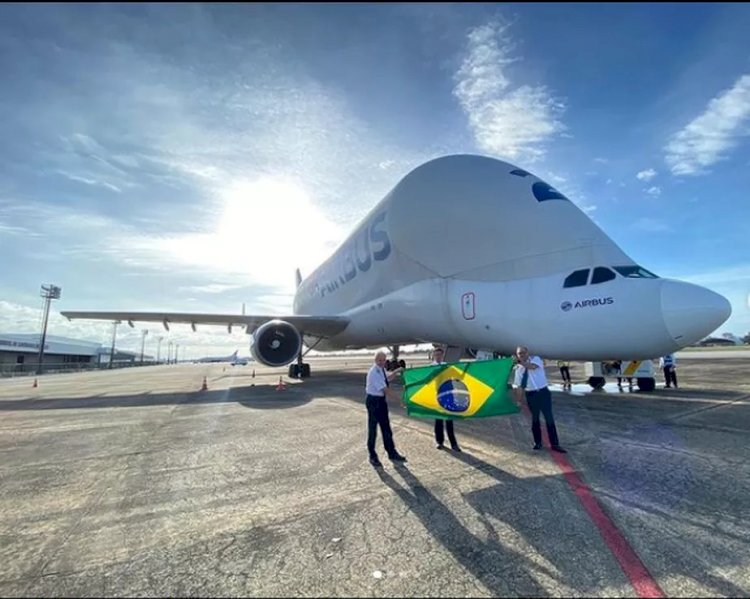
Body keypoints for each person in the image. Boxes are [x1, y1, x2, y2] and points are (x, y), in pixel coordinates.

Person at [513, 346, 566, 453]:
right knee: (535, 420)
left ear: (527, 353)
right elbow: (519, 387)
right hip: (531, 395)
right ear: (517, 355)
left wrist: (519, 362)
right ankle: (538, 442)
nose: (522, 355)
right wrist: (518, 400)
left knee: (549, 418)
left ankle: (555, 444)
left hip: (543, 393)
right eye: (519, 354)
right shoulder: (518, 370)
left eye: (523, 353)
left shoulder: (536, 359)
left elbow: (532, 367)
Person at [365, 350, 407, 467]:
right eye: (380, 360)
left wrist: (397, 371)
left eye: (384, 360)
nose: (382, 362)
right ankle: (372, 455)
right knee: (373, 429)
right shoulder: (374, 372)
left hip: (381, 401)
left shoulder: (381, 369)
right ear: (375, 360)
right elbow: (386, 390)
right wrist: (400, 400)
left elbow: (388, 378)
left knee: (386, 428)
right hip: (373, 401)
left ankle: (391, 452)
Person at [431, 347, 461, 452]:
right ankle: (439, 442)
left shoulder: (447, 366)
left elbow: (456, 377)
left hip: (447, 395)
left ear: (443, 355)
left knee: (449, 420)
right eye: (436, 355)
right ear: (434, 356)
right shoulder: (431, 367)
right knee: (438, 420)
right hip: (437, 396)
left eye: (440, 355)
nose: (438, 357)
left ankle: (454, 444)